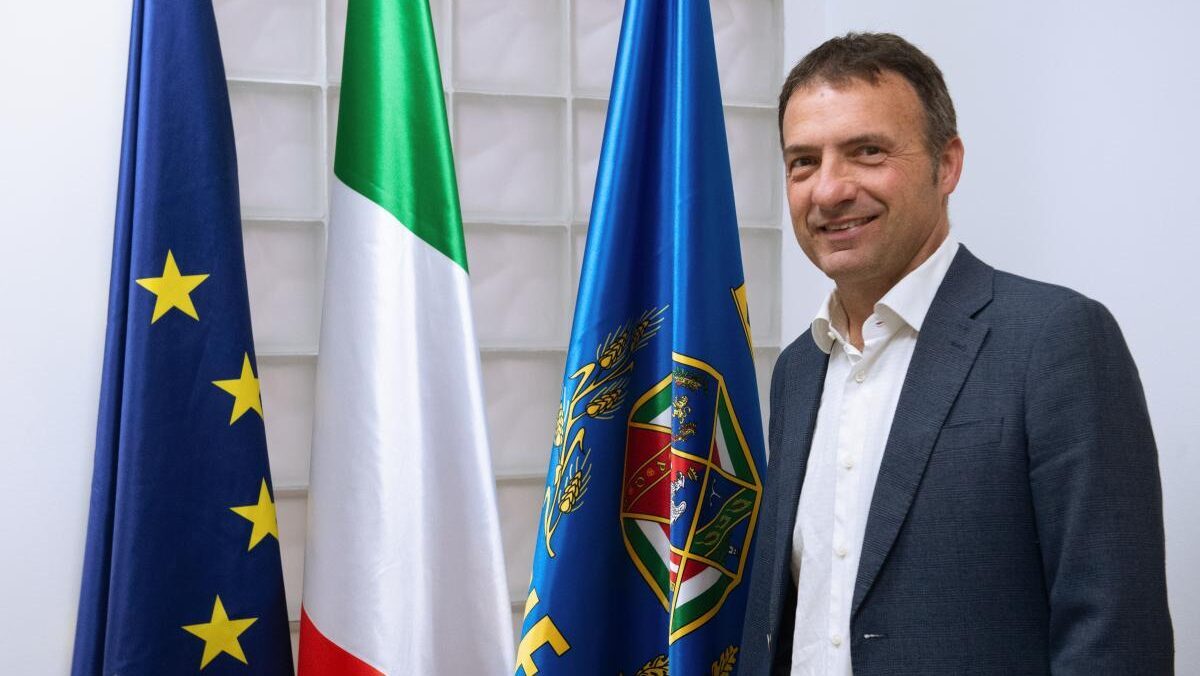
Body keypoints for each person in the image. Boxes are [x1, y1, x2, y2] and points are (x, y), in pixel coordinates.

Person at [740, 32, 1174, 675]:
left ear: (947, 165)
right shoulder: (800, 369)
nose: (828, 190)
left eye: (867, 152)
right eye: (804, 161)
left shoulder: (1054, 341)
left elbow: (1113, 635)